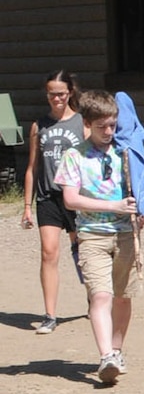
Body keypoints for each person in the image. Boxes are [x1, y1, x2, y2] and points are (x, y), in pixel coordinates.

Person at [58, 89, 143, 387]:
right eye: (101, 127)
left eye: (112, 126)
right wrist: (113, 206)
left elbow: (140, 190)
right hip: (92, 235)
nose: (108, 132)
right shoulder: (74, 156)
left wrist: (142, 210)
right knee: (101, 295)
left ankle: (117, 352)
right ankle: (105, 355)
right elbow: (70, 199)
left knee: (122, 296)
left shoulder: (125, 152)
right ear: (87, 124)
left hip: (125, 236)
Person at [21, 70, 84, 335]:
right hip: (47, 196)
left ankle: (96, 299)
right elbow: (32, 167)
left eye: (60, 93)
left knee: (82, 250)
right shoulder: (39, 126)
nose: (56, 99)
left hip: (76, 196)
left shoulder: (83, 123)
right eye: (51, 94)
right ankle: (50, 314)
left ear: (69, 92)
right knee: (49, 253)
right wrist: (26, 206)